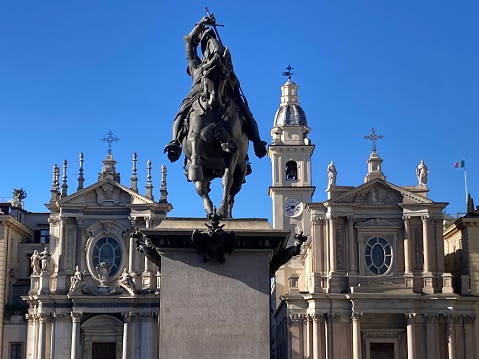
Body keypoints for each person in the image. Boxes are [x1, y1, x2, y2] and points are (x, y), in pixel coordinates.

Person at [164, 15, 267, 163]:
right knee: (182, 111)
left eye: (209, 41)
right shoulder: (196, 66)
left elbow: (232, 78)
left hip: (226, 92)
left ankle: (257, 141)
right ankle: (174, 142)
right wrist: (201, 23)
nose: (208, 44)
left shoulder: (224, 60)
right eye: (205, 41)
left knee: (245, 111)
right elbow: (189, 42)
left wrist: (227, 71)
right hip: (198, 94)